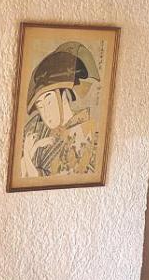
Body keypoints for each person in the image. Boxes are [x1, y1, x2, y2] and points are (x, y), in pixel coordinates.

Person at [20, 42, 101, 179]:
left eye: (49, 101)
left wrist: (28, 157)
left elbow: (46, 181)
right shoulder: (37, 127)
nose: (46, 114)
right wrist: (32, 149)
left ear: (64, 96)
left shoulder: (84, 131)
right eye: (40, 106)